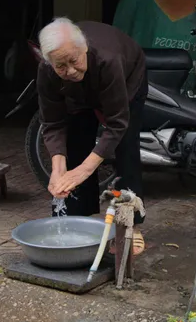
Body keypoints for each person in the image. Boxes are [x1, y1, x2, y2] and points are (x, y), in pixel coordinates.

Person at [36, 17, 147, 252]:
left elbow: (117, 124)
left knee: (125, 146)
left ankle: (130, 225)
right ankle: (78, 221)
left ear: (84, 48)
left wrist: (83, 172)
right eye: (61, 66)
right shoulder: (47, 70)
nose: (70, 71)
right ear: (50, 63)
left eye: (74, 61)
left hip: (126, 80)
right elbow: (53, 122)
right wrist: (59, 169)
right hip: (78, 95)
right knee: (75, 140)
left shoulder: (109, 59)